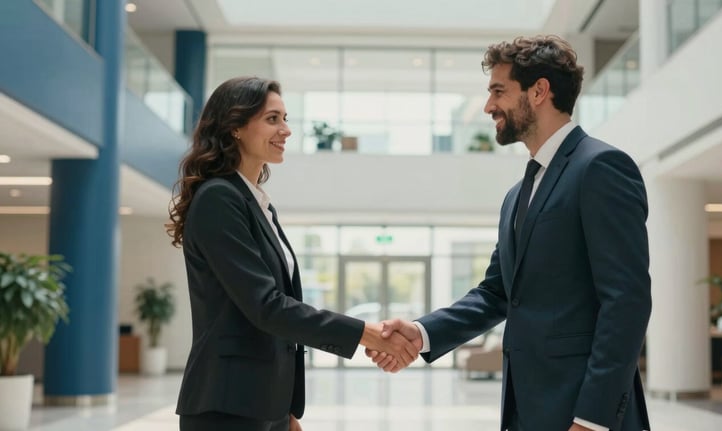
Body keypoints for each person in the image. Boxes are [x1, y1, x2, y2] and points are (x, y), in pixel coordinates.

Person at [369, 35, 652, 431]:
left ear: (539, 91)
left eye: (498, 91)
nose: (488, 107)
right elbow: (497, 293)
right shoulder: (517, 195)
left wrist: (592, 420)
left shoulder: (601, 167)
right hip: (526, 410)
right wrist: (420, 333)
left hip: (583, 413)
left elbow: (626, 302)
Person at [166, 76, 418, 431]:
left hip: (261, 405)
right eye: (272, 119)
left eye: (285, 119)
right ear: (235, 127)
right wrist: (368, 334)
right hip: (227, 408)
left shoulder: (255, 202)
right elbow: (266, 306)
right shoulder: (218, 198)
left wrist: (281, 410)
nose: (286, 130)